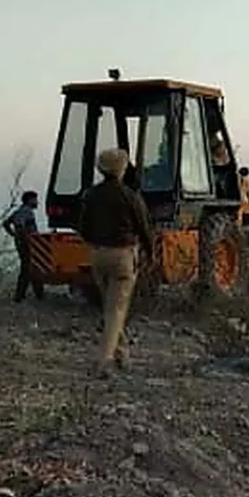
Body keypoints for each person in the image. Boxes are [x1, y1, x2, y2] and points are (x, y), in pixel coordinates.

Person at [76, 148, 154, 375]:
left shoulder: (90, 195)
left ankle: (122, 354)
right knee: (116, 310)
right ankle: (104, 361)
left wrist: (95, 244)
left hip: (98, 255)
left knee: (110, 307)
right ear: (122, 168)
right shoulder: (131, 196)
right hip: (123, 255)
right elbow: (144, 227)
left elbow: (83, 228)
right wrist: (150, 253)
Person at [3, 190, 46, 303]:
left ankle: (37, 295)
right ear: (29, 200)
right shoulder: (25, 212)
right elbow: (19, 225)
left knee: (32, 267)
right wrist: (25, 238)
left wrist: (13, 234)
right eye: (35, 199)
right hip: (27, 244)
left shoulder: (19, 211)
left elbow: (6, 223)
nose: (37, 202)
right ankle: (20, 296)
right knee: (28, 268)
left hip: (26, 243)